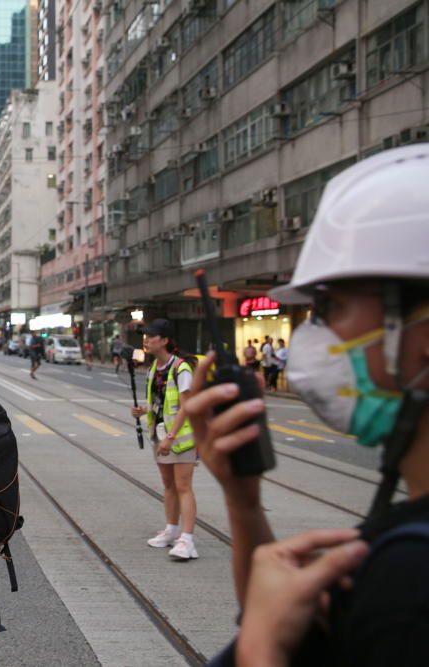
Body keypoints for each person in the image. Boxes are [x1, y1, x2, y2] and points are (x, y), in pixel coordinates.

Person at [190, 146, 429, 666]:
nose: (314, 335)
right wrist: (244, 500)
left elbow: (271, 644)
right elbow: (297, 631)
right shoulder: (403, 538)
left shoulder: (410, 580)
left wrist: (257, 653)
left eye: (331, 308)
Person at [130, 318, 199, 561]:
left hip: (180, 439)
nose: (147, 340)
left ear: (166, 340)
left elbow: (186, 406)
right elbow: (161, 403)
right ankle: (171, 530)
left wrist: (171, 436)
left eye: (152, 336)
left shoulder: (181, 368)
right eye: (146, 336)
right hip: (160, 435)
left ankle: (187, 540)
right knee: (168, 485)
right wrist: (144, 410)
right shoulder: (154, 369)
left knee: (183, 486)